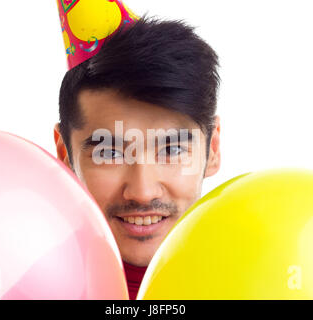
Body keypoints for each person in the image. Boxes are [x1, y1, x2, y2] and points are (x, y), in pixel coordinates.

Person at [54, 15, 221, 300]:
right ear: (64, 155)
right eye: (109, 153)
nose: (142, 193)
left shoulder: (267, 279)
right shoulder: (30, 288)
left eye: (171, 150)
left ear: (212, 149)